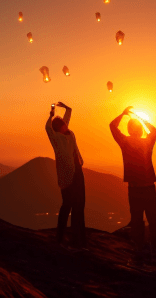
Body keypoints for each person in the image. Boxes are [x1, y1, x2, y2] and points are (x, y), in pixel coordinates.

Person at [110, 106, 156, 267]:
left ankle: (139, 253)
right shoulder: (147, 142)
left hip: (134, 188)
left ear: (129, 129)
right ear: (140, 130)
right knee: (154, 221)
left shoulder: (125, 142)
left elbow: (112, 126)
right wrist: (142, 118)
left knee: (137, 221)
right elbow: (153, 130)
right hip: (149, 187)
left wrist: (123, 114)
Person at [45, 102, 86, 249]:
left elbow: (68, 114)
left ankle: (78, 238)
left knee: (79, 205)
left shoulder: (70, 133)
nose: (65, 124)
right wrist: (51, 115)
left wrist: (66, 107)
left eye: (64, 123)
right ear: (59, 128)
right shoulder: (56, 139)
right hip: (66, 176)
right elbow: (47, 128)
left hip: (77, 172)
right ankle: (61, 237)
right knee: (67, 205)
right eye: (62, 124)